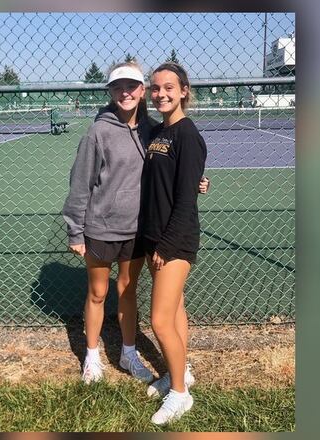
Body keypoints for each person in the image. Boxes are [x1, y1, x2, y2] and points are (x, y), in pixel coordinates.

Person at [61, 61, 209, 386]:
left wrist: (196, 180)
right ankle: (91, 356)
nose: (126, 93)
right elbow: (80, 183)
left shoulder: (153, 129)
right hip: (101, 229)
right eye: (118, 87)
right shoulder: (98, 131)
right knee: (98, 293)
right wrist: (75, 230)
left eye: (132, 87)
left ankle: (129, 352)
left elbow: (172, 165)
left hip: (138, 232)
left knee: (126, 292)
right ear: (111, 93)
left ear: (142, 91)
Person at [140, 62, 206, 425]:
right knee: (176, 309)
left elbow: (184, 202)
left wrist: (165, 245)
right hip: (155, 238)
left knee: (160, 320)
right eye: (155, 88)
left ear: (184, 91)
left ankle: (180, 394)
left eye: (169, 87)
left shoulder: (187, 135)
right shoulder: (157, 133)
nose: (160, 93)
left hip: (175, 241)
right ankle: (180, 371)